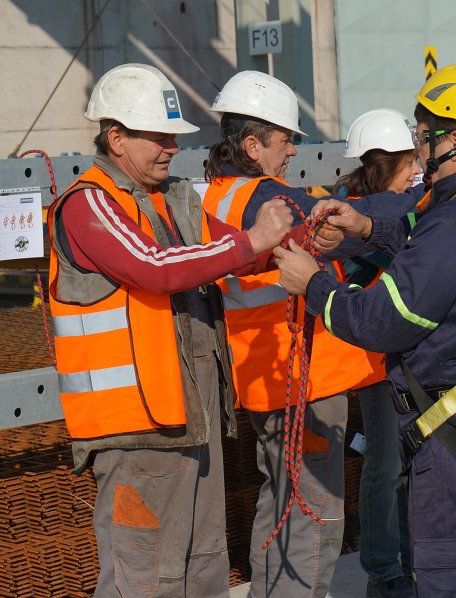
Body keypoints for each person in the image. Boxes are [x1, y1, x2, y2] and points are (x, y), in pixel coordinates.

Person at [274, 63, 456, 597]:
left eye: (423, 136)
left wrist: (312, 284)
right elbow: (430, 242)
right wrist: (365, 226)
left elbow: (380, 321)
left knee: (449, 574)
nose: (418, 150)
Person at [46, 63, 294, 597]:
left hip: (191, 417)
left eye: (173, 137)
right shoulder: (89, 205)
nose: (171, 148)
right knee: (142, 578)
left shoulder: (175, 196)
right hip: (136, 429)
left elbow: (228, 251)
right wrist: (253, 241)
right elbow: (154, 267)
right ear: (116, 138)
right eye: (159, 137)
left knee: (203, 567)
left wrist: (288, 245)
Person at [201, 70, 399, 598]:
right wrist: (420, 207)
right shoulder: (266, 199)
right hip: (303, 378)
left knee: (282, 499)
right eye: (284, 139)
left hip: (264, 375)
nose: (291, 150)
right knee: (316, 510)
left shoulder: (218, 194)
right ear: (252, 145)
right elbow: (340, 227)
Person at [335, 108, 422, 597]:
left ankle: (407, 559)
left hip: (405, 357)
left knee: (409, 464)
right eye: (410, 162)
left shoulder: (394, 207)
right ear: (387, 163)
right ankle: (383, 570)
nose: (416, 171)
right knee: (386, 464)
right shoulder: (354, 216)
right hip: (374, 363)